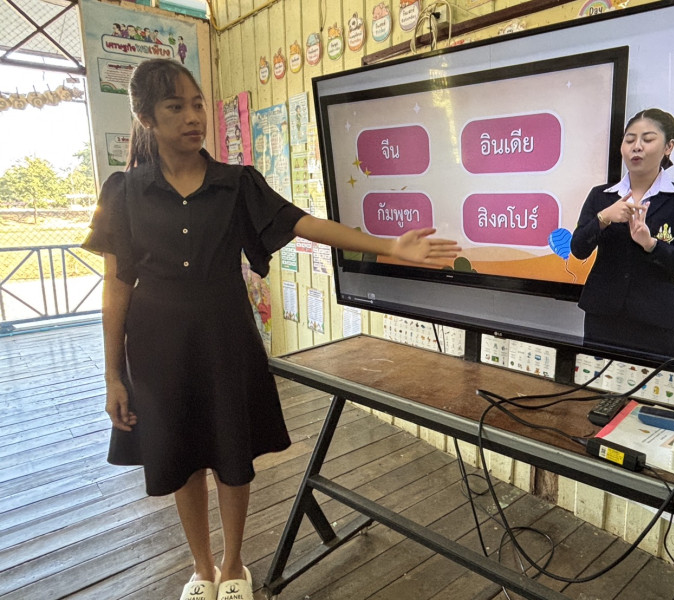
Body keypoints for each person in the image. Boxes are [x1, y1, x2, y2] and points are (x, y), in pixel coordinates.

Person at [82, 58, 459, 600]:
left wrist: (388, 245)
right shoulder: (123, 191)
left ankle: (234, 565)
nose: (193, 117)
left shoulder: (237, 184)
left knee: (232, 456)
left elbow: (303, 222)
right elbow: (116, 286)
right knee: (182, 461)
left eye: (197, 104)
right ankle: (201, 569)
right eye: (175, 106)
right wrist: (112, 375)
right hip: (157, 349)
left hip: (226, 340)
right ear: (146, 117)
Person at [570, 108, 674, 357]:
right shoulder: (601, 196)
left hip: (656, 323)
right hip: (602, 319)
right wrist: (603, 218)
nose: (636, 147)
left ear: (668, 146)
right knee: (596, 381)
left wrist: (652, 245)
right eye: (630, 139)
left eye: (647, 139)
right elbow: (578, 249)